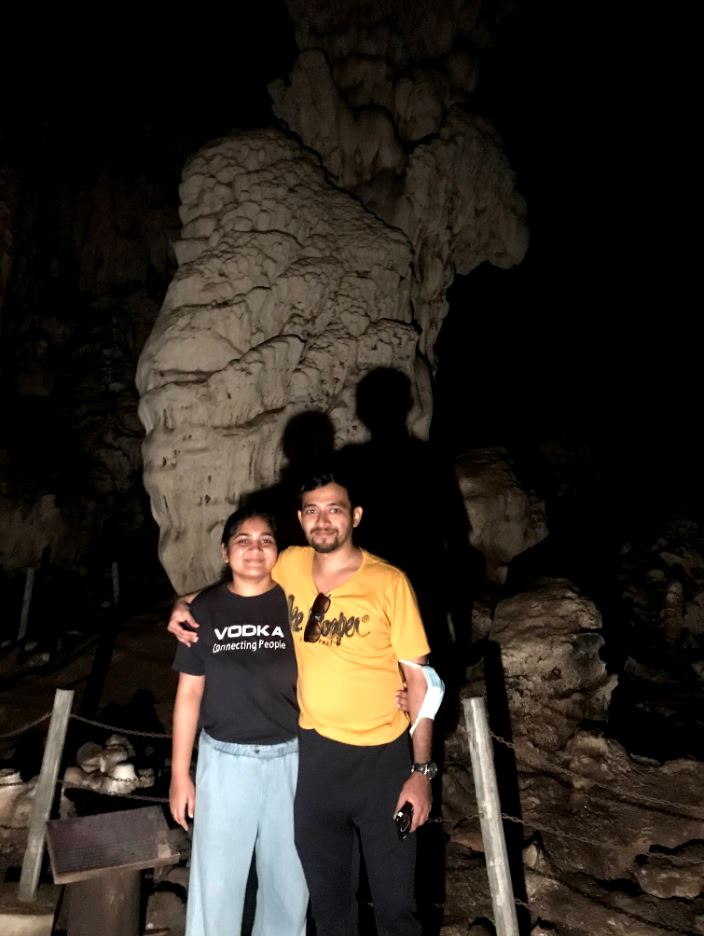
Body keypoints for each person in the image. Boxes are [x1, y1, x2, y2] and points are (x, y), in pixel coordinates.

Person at [170, 470, 442, 936]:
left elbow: (425, 683)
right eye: (312, 511)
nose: (323, 520)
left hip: (375, 761)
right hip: (313, 761)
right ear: (300, 519)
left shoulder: (387, 582)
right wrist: (179, 603)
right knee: (330, 905)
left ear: (355, 516)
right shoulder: (289, 566)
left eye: (335, 509)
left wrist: (421, 772)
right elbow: (234, 589)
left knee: (393, 905)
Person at [169, 508, 308, 936]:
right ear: (226, 551)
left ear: (278, 551)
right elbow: (189, 694)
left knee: (290, 886)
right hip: (225, 764)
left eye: (266, 539)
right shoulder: (204, 610)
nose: (254, 548)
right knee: (217, 886)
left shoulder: (297, 602)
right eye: (243, 540)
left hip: (293, 760)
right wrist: (180, 775)